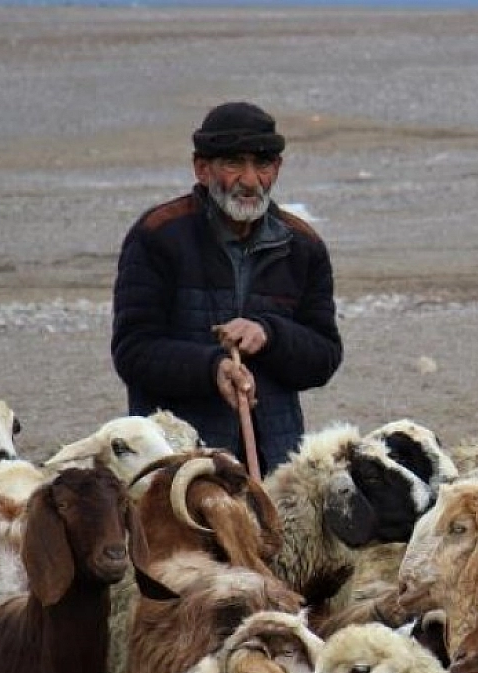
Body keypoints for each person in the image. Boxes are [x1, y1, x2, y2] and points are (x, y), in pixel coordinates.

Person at [111, 101, 342, 474]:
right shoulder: (157, 237)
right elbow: (133, 352)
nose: (250, 181)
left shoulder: (303, 247)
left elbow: (324, 358)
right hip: (177, 460)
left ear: (277, 169)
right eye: (234, 163)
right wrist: (212, 368)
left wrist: (269, 334)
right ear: (202, 169)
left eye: (263, 164)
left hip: (273, 463)